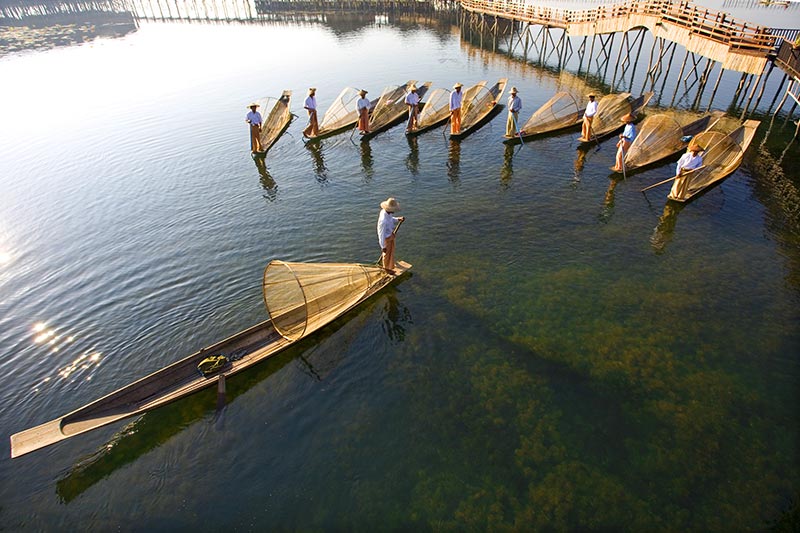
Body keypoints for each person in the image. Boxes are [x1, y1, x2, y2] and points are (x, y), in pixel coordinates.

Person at [377, 197, 405, 274]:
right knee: (386, 254)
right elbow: (381, 234)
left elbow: (391, 219)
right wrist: (383, 247)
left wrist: (397, 219)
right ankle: (386, 269)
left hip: (390, 235)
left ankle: (389, 265)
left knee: (390, 252)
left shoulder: (386, 213)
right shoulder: (383, 221)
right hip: (386, 238)